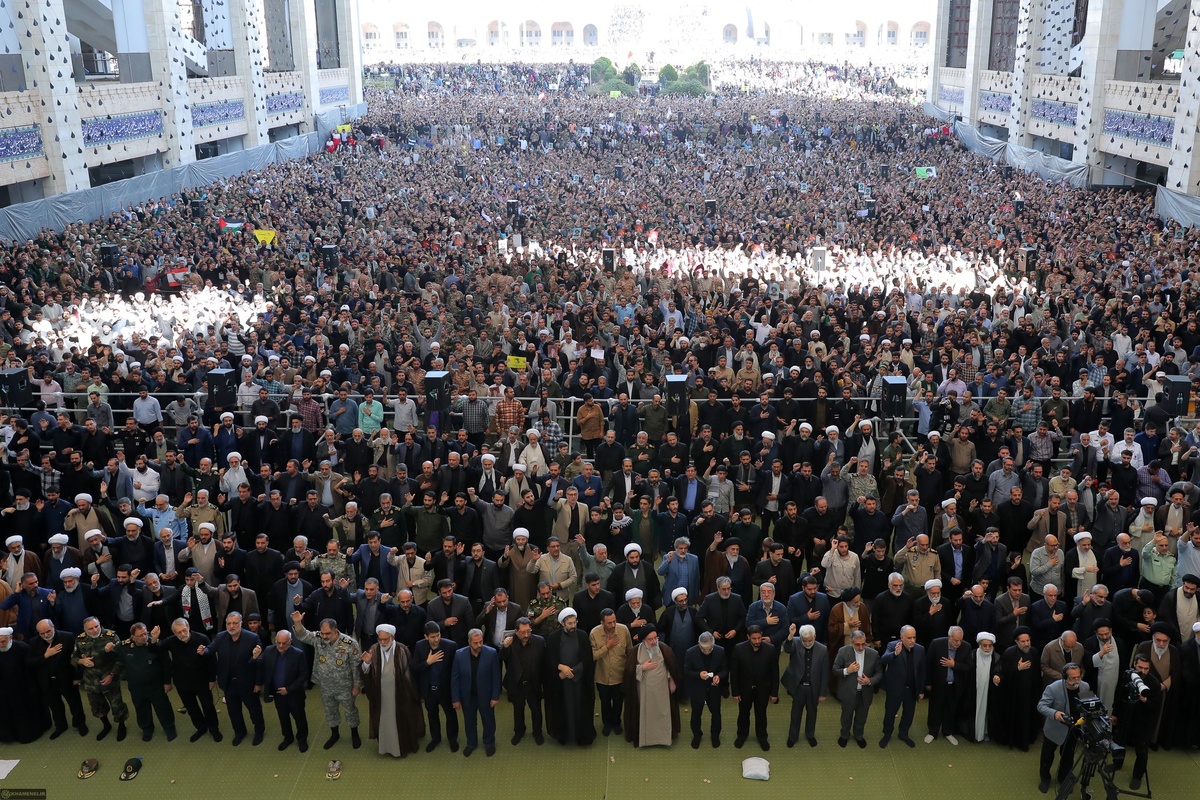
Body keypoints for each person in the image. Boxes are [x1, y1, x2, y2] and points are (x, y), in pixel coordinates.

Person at [290, 612, 362, 750]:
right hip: (325, 685)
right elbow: (302, 635)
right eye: (322, 633)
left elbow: (356, 668)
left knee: (350, 711)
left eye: (328, 634)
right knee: (330, 711)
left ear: (336, 631)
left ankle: (354, 734)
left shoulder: (350, 644)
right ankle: (335, 734)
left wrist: (357, 686)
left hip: (345, 685)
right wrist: (298, 622)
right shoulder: (319, 638)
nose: (324, 636)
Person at [361, 622, 424, 758]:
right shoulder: (374, 649)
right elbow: (367, 672)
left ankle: (401, 748)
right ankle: (385, 748)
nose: (383, 642)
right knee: (384, 721)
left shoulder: (402, 650)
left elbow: (408, 675)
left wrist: (409, 694)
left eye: (385, 639)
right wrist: (366, 663)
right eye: (380, 639)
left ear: (392, 637)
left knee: (400, 720)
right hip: (381, 694)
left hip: (400, 693)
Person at [108, 621, 176, 742]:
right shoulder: (124, 646)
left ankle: (169, 728)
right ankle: (147, 729)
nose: (144, 637)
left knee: (163, 708)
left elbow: (166, 664)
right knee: (141, 709)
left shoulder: (155, 644)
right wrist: (107, 650)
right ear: (132, 637)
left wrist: (167, 682)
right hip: (136, 687)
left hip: (156, 686)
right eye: (140, 635)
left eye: (145, 633)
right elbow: (112, 655)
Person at [205, 611, 264, 746]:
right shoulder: (220, 637)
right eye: (228, 623)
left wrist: (258, 682)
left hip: (248, 683)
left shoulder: (252, 638)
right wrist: (204, 651)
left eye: (234, 623)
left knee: (254, 710)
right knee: (233, 712)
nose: (231, 626)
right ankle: (240, 732)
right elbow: (210, 650)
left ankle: (259, 731)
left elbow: (260, 663)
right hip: (228, 683)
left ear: (241, 624)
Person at [159, 617, 221, 742]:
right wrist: (154, 638)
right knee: (191, 707)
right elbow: (155, 648)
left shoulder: (202, 638)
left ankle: (214, 729)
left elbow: (212, 660)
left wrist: (212, 679)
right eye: (178, 632)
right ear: (174, 633)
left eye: (184, 630)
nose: (182, 634)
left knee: (208, 706)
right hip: (182, 682)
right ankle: (201, 727)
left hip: (202, 680)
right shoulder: (171, 641)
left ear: (188, 627)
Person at [1036, 663, 1095, 794]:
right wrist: (1054, 713)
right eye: (1072, 678)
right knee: (1047, 757)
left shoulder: (1085, 686)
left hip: (1074, 730)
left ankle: (1064, 779)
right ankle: (1045, 779)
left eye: (1078, 677)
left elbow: (1088, 705)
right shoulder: (1053, 688)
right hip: (1054, 730)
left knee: (1068, 757)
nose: (1076, 680)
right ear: (1064, 677)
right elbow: (1041, 706)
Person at [622, 626, 683, 747]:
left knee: (663, 714)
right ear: (644, 640)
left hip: (662, 691)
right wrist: (642, 668)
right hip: (644, 692)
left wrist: (672, 681)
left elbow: (671, 666)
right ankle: (646, 740)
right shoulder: (635, 651)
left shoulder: (664, 649)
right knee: (645, 716)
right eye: (651, 639)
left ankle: (664, 738)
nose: (654, 641)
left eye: (655, 638)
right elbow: (628, 671)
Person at [71, 615, 129, 741]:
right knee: (97, 707)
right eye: (90, 628)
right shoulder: (80, 640)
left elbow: (121, 659)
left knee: (117, 706)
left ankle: (121, 726)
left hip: (109, 677)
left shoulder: (111, 636)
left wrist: (112, 675)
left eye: (97, 626)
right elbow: (73, 658)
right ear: (85, 629)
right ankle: (106, 725)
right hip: (91, 680)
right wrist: (81, 661)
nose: (95, 630)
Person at [545, 607, 596, 746]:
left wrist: (572, 671)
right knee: (564, 707)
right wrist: (560, 668)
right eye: (570, 624)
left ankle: (582, 737)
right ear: (562, 624)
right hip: (562, 682)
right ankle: (565, 735)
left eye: (575, 622)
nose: (573, 626)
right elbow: (549, 659)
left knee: (580, 707)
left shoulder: (582, 635)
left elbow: (587, 659)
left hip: (579, 680)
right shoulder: (554, 638)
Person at [30, 618, 88, 738]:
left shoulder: (67, 637)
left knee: (75, 703)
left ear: (53, 627)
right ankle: (61, 726)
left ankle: (80, 724)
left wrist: (77, 677)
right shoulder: (34, 643)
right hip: (47, 682)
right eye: (42, 633)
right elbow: (30, 663)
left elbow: (76, 658)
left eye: (48, 631)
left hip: (66, 679)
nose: (46, 635)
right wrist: (45, 655)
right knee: (55, 706)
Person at [1114, 653, 1162, 790]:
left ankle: (1137, 776)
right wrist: (1115, 713)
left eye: (1146, 668)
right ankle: (1117, 763)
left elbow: (1156, 706)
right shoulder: (1127, 675)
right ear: (1134, 664)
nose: (1143, 672)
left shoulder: (1153, 683)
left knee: (1141, 750)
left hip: (1144, 721)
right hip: (1126, 715)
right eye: (1140, 667)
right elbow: (1119, 695)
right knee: (1119, 742)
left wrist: (1145, 700)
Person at [450, 627, 501, 757]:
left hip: (486, 696)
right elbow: (455, 678)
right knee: (469, 721)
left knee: (488, 721)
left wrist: (495, 696)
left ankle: (489, 743)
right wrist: (455, 699)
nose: (479, 645)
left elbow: (496, 676)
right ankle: (471, 743)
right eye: (475, 643)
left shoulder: (491, 653)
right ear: (469, 642)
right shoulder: (459, 654)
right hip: (467, 696)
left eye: (481, 642)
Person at [411, 620, 459, 752]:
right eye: (432, 637)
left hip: (445, 689)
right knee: (432, 715)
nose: (436, 639)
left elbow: (455, 670)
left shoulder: (450, 646)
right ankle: (435, 738)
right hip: (429, 690)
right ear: (426, 637)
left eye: (438, 635)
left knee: (450, 715)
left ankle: (452, 738)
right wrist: (427, 662)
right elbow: (414, 667)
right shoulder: (420, 646)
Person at [260, 628, 310, 752]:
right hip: (278, 695)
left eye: (284, 643)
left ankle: (302, 739)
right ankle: (288, 738)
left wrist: (289, 689)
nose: (281, 646)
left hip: (294, 694)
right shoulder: (268, 651)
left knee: (299, 718)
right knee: (283, 718)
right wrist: (255, 657)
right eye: (278, 642)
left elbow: (303, 675)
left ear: (290, 642)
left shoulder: (298, 654)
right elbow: (259, 665)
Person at [831, 629, 882, 748]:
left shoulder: (873, 654)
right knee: (846, 716)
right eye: (857, 644)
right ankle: (844, 735)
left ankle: (859, 735)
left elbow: (879, 673)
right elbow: (834, 670)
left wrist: (869, 681)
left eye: (863, 644)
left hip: (865, 693)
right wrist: (847, 671)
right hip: (848, 692)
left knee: (862, 717)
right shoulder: (843, 652)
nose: (860, 647)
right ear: (851, 642)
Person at [731, 624, 778, 751]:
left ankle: (762, 737)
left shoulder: (770, 649)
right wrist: (735, 692)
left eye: (759, 638)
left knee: (761, 714)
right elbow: (734, 673)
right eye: (754, 639)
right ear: (748, 637)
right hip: (744, 690)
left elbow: (775, 673)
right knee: (743, 714)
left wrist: (774, 693)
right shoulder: (738, 649)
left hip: (763, 690)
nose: (757, 641)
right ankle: (742, 735)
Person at [501, 616, 546, 746]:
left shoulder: (539, 641)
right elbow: (502, 658)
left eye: (528, 631)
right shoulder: (509, 642)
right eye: (523, 632)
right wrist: (505, 647)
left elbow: (544, 662)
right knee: (518, 710)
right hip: (517, 683)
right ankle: (519, 731)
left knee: (536, 710)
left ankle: (537, 733)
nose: (526, 635)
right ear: (516, 631)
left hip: (534, 683)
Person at [0, 625, 50, 743]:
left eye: (3, 641)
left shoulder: (22, 648)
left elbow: (31, 667)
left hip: (24, 688)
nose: (1, 645)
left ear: (10, 638)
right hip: (5, 691)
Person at [782, 622, 828, 748]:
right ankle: (793, 737)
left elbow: (825, 673)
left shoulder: (823, 650)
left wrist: (822, 693)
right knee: (795, 713)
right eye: (804, 640)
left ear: (815, 637)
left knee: (812, 713)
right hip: (798, 687)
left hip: (814, 688)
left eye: (810, 640)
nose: (807, 643)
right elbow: (787, 649)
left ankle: (810, 735)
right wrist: (790, 636)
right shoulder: (795, 642)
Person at [879, 625, 926, 748]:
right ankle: (887, 734)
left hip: (911, 689)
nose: (912, 641)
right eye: (909, 638)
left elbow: (922, 671)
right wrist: (895, 654)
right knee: (890, 713)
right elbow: (883, 660)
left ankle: (904, 734)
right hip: (895, 688)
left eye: (914, 637)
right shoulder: (893, 645)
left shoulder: (920, 649)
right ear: (901, 637)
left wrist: (921, 690)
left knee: (909, 714)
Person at [925, 625, 972, 745]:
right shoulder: (936, 644)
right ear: (949, 637)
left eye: (960, 640)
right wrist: (928, 682)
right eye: (956, 640)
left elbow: (969, 667)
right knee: (935, 708)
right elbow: (928, 664)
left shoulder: (966, 647)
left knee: (951, 708)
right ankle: (932, 732)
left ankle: (948, 732)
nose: (958, 643)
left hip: (955, 686)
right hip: (938, 684)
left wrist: (954, 664)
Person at [590, 607, 631, 736]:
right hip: (602, 676)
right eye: (609, 623)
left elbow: (629, 650)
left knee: (619, 701)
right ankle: (607, 723)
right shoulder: (594, 634)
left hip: (620, 675)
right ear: (602, 622)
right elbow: (592, 656)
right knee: (605, 702)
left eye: (614, 621)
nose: (613, 625)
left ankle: (616, 723)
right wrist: (606, 647)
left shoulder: (623, 630)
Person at [684, 631, 727, 749]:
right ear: (699, 644)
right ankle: (697, 735)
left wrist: (719, 676)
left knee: (716, 714)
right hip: (697, 689)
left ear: (713, 643)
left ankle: (715, 736)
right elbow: (686, 671)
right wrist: (698, 675)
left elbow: (724, 669)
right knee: (696, 714)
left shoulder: (720, 651)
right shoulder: (691, 652)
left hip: (714, 689)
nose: (707, 651)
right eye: (704, 649)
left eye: (709, 649)